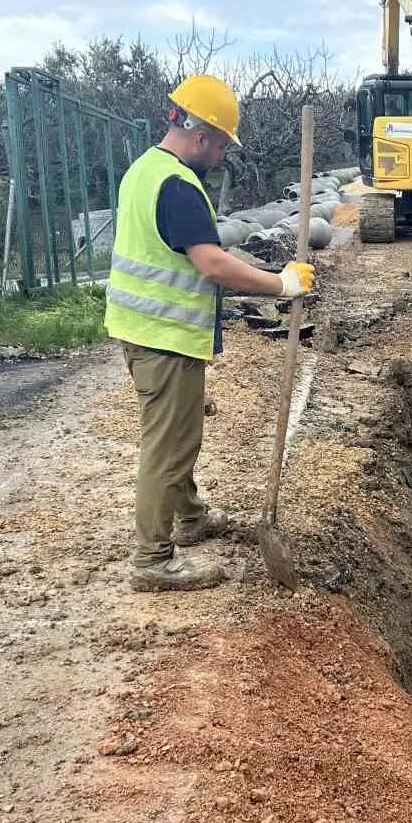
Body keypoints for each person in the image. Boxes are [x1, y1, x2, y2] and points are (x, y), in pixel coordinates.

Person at [105, 74, 315, 592]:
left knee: (176, 435)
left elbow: (190, 251)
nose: (221, 156)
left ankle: (192, 516)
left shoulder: (144, 170)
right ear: (200, 136)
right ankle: (152, 560)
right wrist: (281, 284)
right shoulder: (177, 185)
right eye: (220, 144)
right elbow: (212, 263)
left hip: (143, 330)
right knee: (169, 446)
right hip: (164, 337)